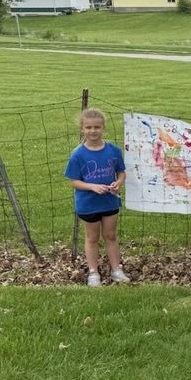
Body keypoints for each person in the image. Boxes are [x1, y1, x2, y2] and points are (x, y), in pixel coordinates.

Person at [64, 107, 130, 287]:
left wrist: (119, 183)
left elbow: (121, 172)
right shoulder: (78, 155)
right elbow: (74, 182)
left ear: (103, 128)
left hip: (109, 202)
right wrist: (92, 186)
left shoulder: (113, 150)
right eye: (89, 127)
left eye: (97, 127)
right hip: (88, 204)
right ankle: (93, 272)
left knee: (110, 235)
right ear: (82, 129)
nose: (93, 131)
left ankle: (116, 269)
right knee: (92, 238)